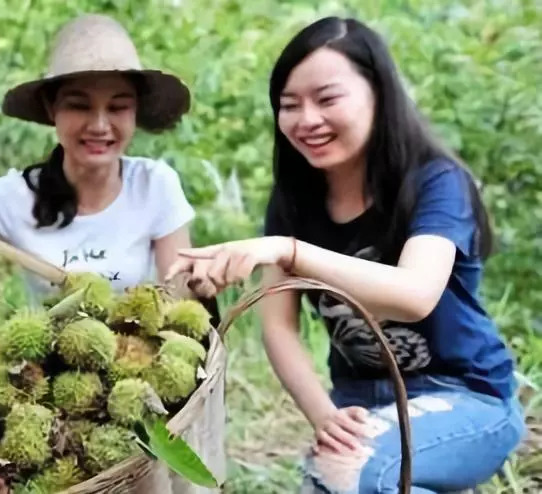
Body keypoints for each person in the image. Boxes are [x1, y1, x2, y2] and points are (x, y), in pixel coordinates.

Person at [168, 16, 525, 494]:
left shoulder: (435, 182)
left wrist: (288, 250)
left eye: (327, 98)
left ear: (378, 93)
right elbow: (278, 327)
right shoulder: (294, 201)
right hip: (359, 403)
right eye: (289, 105)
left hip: (467, 398)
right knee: (333, 479)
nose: (307, 119)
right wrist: (323, 415)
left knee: (353, 476)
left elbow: (415, 295)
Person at [0, 14, 208, 304]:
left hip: (138, 364)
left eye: (118, 107)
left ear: (135, 112)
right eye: (79, 105)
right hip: (47, 372)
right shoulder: (16, 196)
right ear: (52, 110)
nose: (100, 125)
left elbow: (177, 297)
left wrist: (202, 284)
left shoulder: (155, 185)